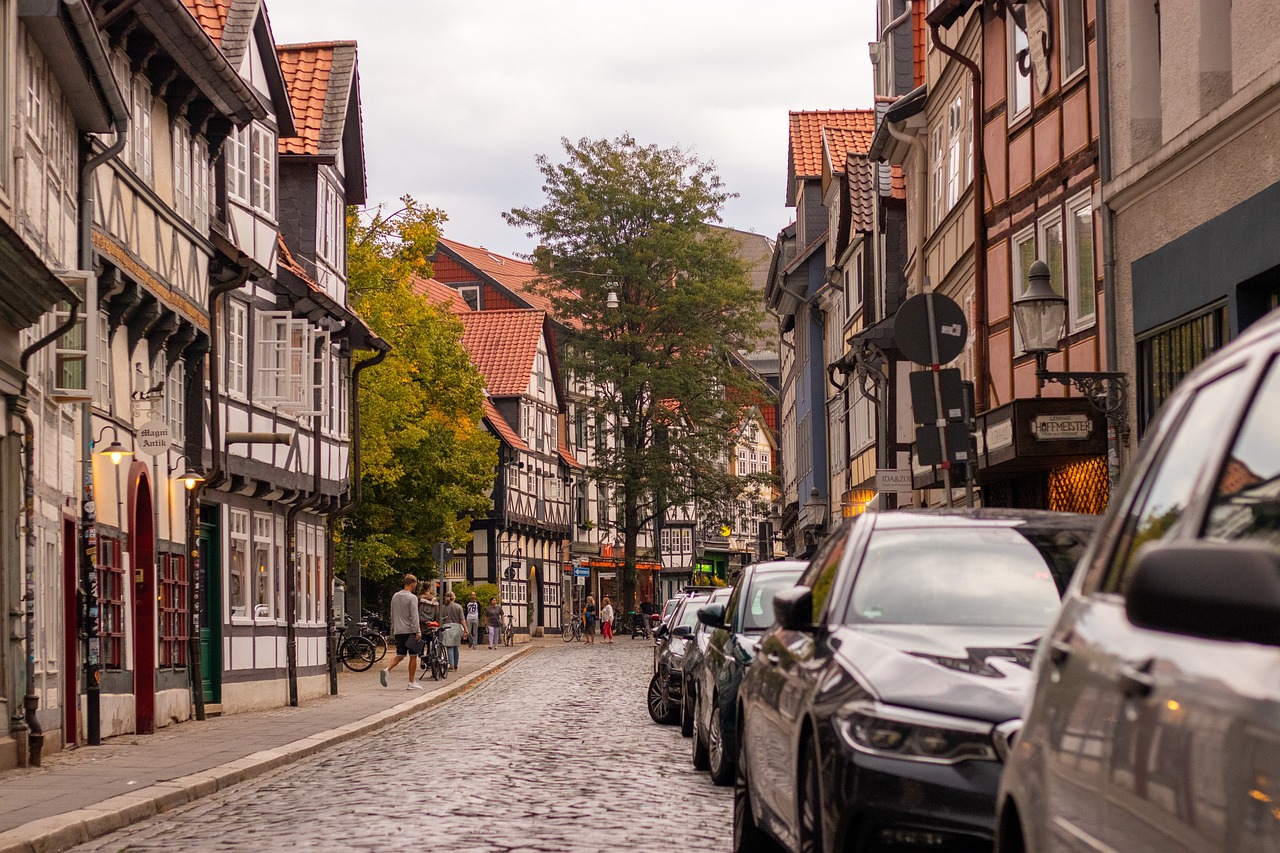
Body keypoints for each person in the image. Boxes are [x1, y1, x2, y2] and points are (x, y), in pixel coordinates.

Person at [380, 574, 422, 689]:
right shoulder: (412, 597)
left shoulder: (395, 596)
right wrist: (418, 631)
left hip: (399, 630)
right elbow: (414, 615)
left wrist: (393, 629)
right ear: (413, 583)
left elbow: (392, 613)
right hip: (410, 630)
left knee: (400, 654)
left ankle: (387, 669)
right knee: (413, 656)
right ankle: (411, 682)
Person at [439, 591, 465, 670]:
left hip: (446, 627)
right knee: (456, 646)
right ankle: (456, 664)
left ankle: (451, 665)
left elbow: (440, 619)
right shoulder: (458, 607)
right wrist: (466, 629)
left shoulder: (443, 607)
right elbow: (462, 619)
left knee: (449, 647)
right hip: (456, 627)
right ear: (454, 597)